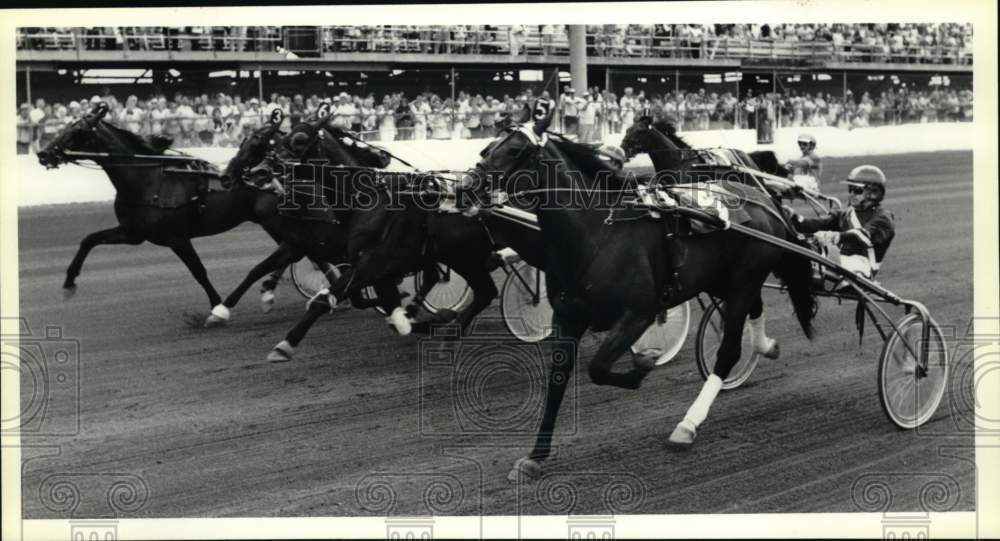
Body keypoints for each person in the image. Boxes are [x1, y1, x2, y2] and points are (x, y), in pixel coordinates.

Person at [787, 165, 895, 291]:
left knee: (814, 263)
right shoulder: (845, 214)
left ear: (874, 193)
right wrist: (794, 217)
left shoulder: (883, 218)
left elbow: (863, 235)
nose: (851, 194)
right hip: (840, 261)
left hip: (862, 268)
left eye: (857, 191)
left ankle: (827, 278)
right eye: (850, 189)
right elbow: (814, 225)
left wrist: (835, 236)